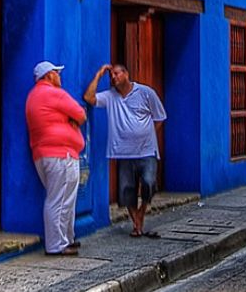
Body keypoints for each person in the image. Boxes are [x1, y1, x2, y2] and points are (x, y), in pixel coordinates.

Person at [84, 62, 167, 238]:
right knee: (127, 190)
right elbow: (89, 98)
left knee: (148, 183)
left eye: (117, 74)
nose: (114, 77)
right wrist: (99, 74)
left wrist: (147, 136)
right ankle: (137, 224)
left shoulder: (145, 93)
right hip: (122, 152)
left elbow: (160, 117)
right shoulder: (110, 97)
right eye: (111, 75)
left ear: (126, 74)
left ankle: (141, 213)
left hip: (147, 151)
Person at [25, 60, 86, 256]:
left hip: (43, 154)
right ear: (49, 75)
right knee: (59, 200)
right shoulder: (53, 93)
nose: (59, 76)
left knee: (63, 198)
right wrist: (71, 120)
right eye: (57, 73)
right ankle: (56, 245)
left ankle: (67, 239)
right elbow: (80, 114)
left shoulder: (33, 96)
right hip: (61, 154)